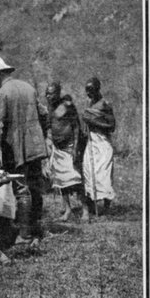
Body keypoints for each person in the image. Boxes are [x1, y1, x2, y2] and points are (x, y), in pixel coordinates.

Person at [0, 56, 48, 246]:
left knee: (21, 188)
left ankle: (25, 234)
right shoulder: (28, 87)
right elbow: (43, 114)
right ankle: (35, 227)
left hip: (16, 149)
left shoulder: (2, 94)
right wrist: (40, 135)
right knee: (35, 186)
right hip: (35, 146)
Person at [45, 82, 89, 221]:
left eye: (51, 93)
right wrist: (50, 143)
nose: (48, 96)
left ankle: (85, 211)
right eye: (47, 93)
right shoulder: (50, 108)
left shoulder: (67, 106)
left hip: (69, 147)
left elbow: (76, 128)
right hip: (57, 148)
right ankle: (68, 210)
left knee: (76, 179)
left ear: (58, 93)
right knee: (61, 180)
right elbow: (49, 127)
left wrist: (76, 148)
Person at [82, 77, 116, 216]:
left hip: (102, 144)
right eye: (87, 91)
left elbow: (112, 126)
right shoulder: (90, 103)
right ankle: (92, 205)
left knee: (104, 174)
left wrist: (93, 122)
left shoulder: (105, 105)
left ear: (98, 89)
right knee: (88, 172)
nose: (89, 94)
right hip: (91, 143)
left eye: (91, 90)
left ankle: (106, 208)